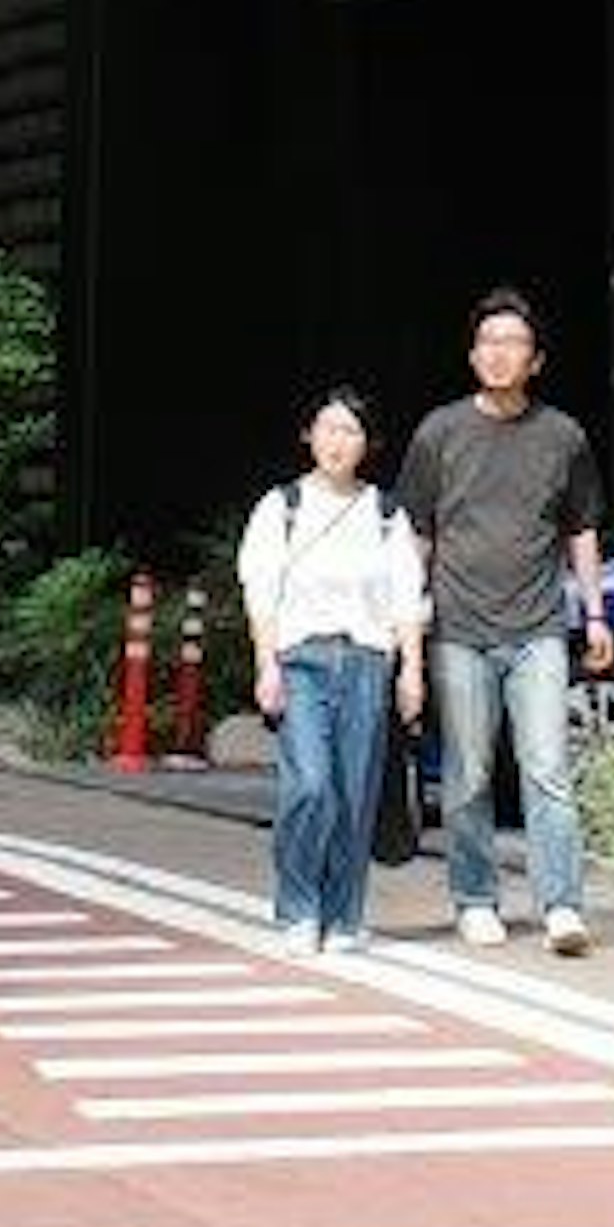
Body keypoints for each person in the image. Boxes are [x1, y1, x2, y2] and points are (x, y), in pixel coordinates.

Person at [396, 287, 608, 955]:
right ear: (472, 354)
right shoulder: (440, 432)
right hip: (458, 628)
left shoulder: (563, 436)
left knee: (547, 767)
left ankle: (563, 905)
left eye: (512, 343)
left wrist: (595, 613)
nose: (499, 354)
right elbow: (417, 535)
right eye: (488, 343)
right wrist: (406, 625)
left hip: (540, 625)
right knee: (468, 774)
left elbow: (582, 530)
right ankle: (475, 898)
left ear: (536, 359)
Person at [234, 387, 426, 958]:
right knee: (310, 786)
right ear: (309, 435)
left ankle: (344, 914)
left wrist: (411, 672)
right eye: (328, 428)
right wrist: (265, 664)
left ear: (368, 444)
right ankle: (298, 906)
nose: (337, 441)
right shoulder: (281, 506)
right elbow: (260, 592)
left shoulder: (387, 513)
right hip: (302, 661)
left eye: (350, 431)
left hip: (367, 663)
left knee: (354, 793)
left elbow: (405, 598)